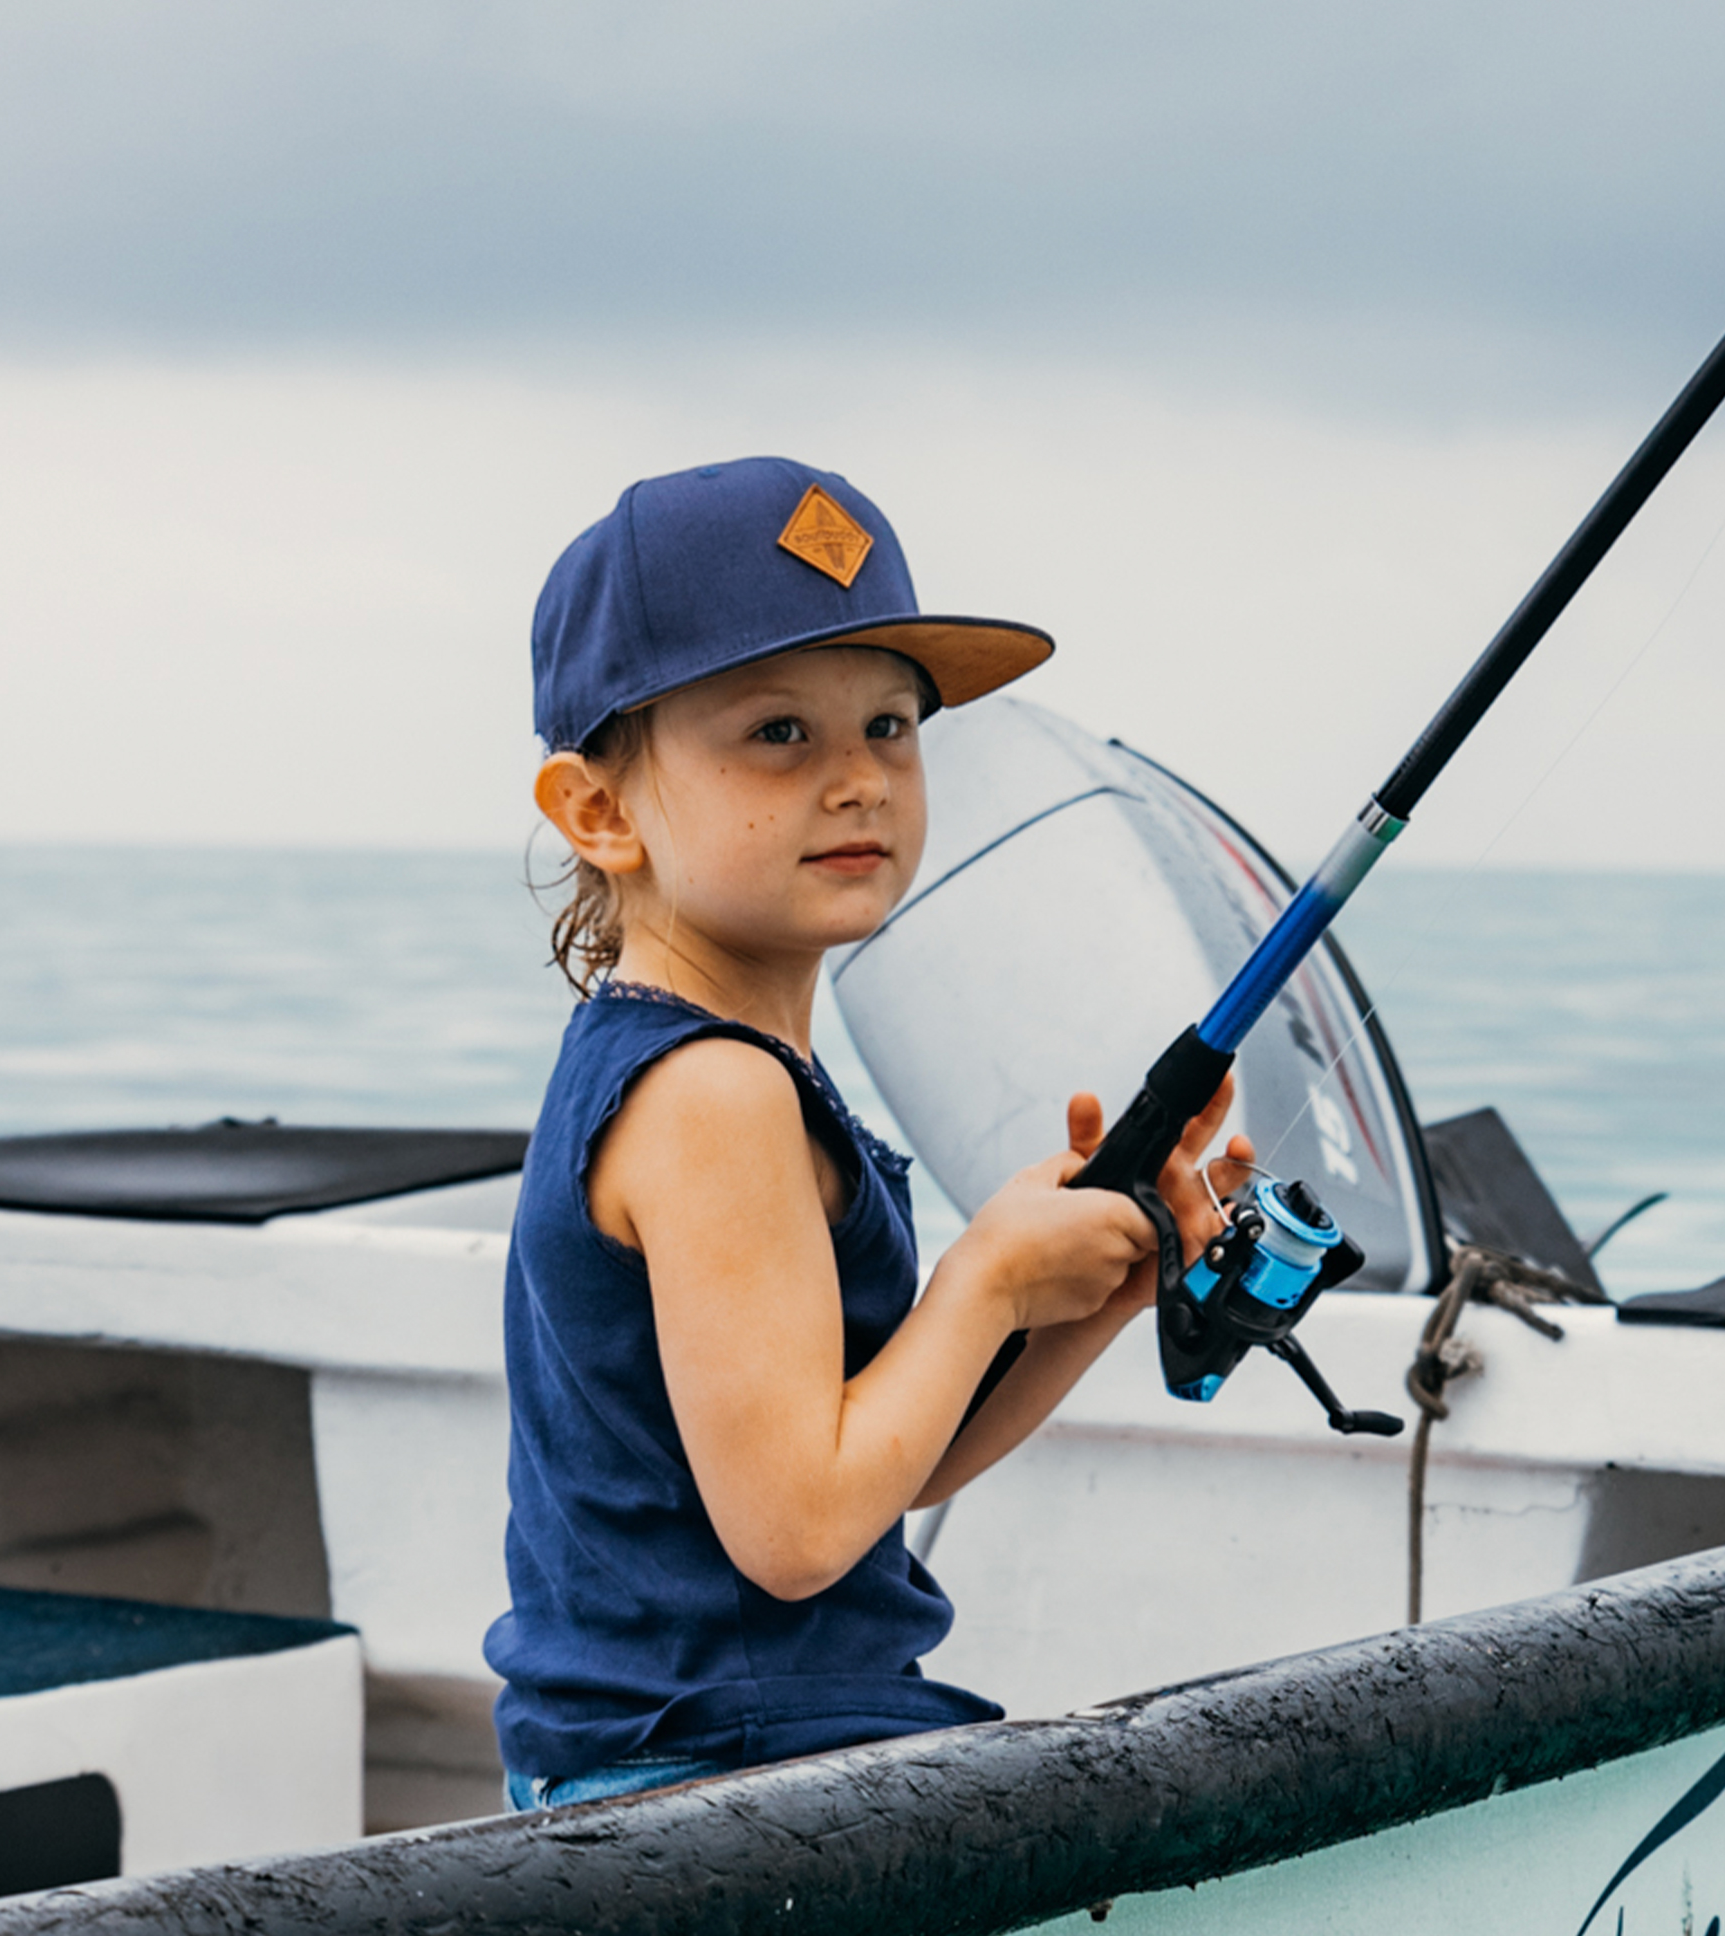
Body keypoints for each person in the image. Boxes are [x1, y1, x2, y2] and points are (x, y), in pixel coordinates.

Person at [487, 456, 1251, 1811]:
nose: (859, 782)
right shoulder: (714, 1097)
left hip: (740, 1776)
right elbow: (794, 1532)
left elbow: (876, 1474)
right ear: (599, 812)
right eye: (779, 733)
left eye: (891, 727)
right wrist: (982, 1279)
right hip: (705, 1804)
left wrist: (1086, 1294)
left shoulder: (715, 1068)